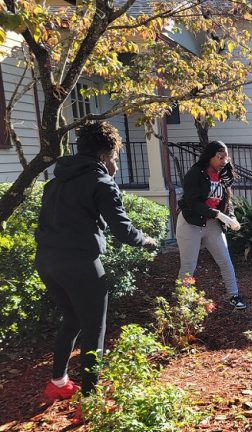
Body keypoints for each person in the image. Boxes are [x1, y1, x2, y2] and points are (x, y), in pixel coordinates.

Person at [34, 121, 156, 417]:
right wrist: (147, 240)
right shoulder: (101, 182)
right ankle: (91, 402)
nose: (115, 164)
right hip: (81, 264)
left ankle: (58, 383)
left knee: (71, 320)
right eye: (115, 157)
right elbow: (123, 231)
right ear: (104, 155)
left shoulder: (57, 180)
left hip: (47, 261)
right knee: (94, 330)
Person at [177, 141, 246, 310]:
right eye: (220, 157)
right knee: (188, 265)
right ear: (210, 156)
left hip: (212, 224)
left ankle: (234, 296)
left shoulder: (223, 176)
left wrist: (230, 217)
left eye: (226, 157)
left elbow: (225, 202)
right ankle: (183, 303)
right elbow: (193, 203)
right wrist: (219, 215)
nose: (224, 161)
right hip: (191, 223)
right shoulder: (195, 173)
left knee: (225, 260)